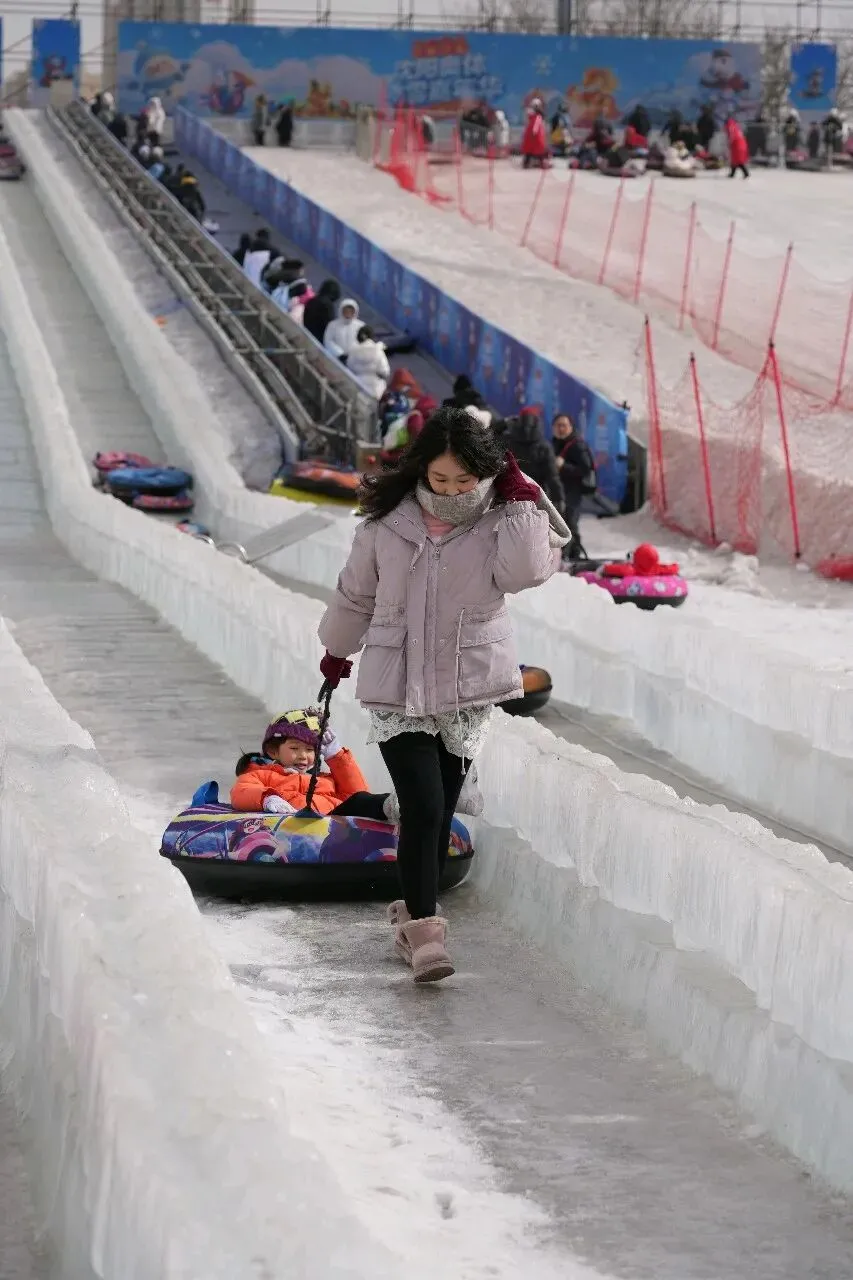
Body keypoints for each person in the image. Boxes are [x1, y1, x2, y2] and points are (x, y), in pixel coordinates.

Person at [317, 408, 569, 982]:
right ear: (421, 470)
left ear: (485, 473)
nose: (451, 491)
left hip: (466, 686)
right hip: (398, 683)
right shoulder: (386, 522)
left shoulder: (502, 516)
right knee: (424, 807)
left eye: (464, 479)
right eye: (439, 479)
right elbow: (355, 594)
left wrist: (521, 500)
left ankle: (411, 915)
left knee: (440, 810)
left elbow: (527, 572)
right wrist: (337, 649)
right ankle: (427, 936)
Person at [232, 708, 395, 821]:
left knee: (360, 800)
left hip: (332, 822)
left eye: (310, 749)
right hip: (295, 823)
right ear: (273, 751)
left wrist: (337, 756)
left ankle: (399, 807)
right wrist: (267, 798)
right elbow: (241, 791)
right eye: (294, 748)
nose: (303, 755)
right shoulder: (262, 775)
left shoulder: (326, 780)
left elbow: (357, 793)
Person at [552, 412, 595, 559]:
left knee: (571, 522)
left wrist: (564, 467)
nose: (561, 429)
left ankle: (574, 555)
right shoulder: (555, 443)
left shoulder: (577, 445)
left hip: (573, 491)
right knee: (561, 522)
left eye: (564, 425)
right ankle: (565, 555)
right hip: (560, 490)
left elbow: (585, 470)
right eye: (558, 425)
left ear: (571, 427)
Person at [504, 408, 564, 512]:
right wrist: (559, 498)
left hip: (511, 493)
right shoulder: (544, 446)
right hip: (537, 494)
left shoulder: (507, 442)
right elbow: (552, 476)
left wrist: (505, 423)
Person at [346, 325, 391, 398]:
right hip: (376, 389)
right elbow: (385, 372)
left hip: (358, 386)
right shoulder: (378, 351)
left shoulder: (353, 351)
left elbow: (349, 366)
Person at [303, 278, 342, 345]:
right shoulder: (327, 306)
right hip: (318, 341)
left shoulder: (312, 300)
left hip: (306, 333)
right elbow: (329, 327)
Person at [521, 99, 550, 169]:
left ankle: (528, 164)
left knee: (532, 152)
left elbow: (535, 126)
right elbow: (535, 127)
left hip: (533, 137)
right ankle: (540, 164)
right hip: (534, 137)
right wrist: (534, 132)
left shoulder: (535, 116)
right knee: (536, 152)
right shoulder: (536, 116)